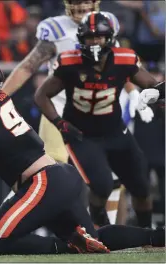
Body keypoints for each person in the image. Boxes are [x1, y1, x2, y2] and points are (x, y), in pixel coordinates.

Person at [0, 56, 165, 255]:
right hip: (57, 177)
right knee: (93, 234)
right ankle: (157, 237)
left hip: (41, 182)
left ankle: (69, 249)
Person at [0, 0, 154, 226]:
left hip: (102, 112)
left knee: (112, 179)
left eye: (85, 2)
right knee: (48, 172)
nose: (81, 7)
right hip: (60, 109)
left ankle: (109, 230)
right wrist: (1, 96)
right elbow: (28, 66)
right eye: (76, 2)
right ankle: (13, 220)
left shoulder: (106, 23)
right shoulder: (56, 28)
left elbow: (121, 67)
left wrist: (133, 94)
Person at [34, 12, 161, 229]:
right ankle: (97, 224)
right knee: (102, 186)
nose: (94, 42)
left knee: (141, 186)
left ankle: (147, 233)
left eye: (99, 37)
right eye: (90, 37)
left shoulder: (124, 59)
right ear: (81, 39)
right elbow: (41, 95)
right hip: (82, 136)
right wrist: (60, 123)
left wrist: (157, 94)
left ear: (110, 38)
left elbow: (151, 84)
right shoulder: (70, 62)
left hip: (116, 132)